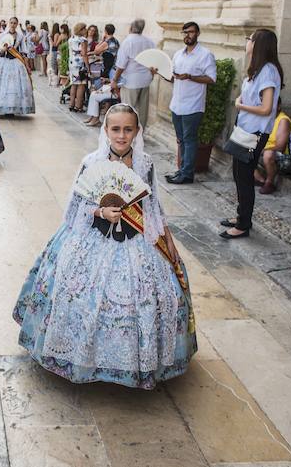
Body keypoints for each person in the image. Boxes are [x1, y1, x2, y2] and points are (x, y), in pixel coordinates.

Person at [13, 103, 196, 389]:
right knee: (76, 290)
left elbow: (153, 206)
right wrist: (101, 212)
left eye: (128, 129)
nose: (122, 136)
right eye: (116, 129)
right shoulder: (91, 162)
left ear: (137, 131)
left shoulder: (145, 163)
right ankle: (81, 356)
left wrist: (168, 240)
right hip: (92, 235)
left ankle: (136, 362)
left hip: (138, 238)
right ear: (106, 130)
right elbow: (77, 207)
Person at [220, 29, 283, 239]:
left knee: (245, 177)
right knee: (239, 175)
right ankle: (241, 216)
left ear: (258, 44)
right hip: (246, 130)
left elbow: (266, 108)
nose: (247, 42)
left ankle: (243, 224)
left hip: (255, 133)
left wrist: (241, 105)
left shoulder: (268, 70)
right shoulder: (258, 69)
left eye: (250, 39)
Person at [165, 22, 216, 184]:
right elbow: (173, 78)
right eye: (185, 32)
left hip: (193, 106)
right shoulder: (179, 54)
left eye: (191, 32)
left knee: (189, 139)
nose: (187, 35)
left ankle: (187, 174)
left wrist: (190, 76)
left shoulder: (205, 54)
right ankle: (182, 170)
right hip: (176, 105)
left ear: (198, 33)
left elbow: (211, 78)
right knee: (181, 140)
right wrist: (159, 72)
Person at [0, 17, 35, 116]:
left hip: (15, 62)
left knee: (14, 85)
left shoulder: (20, 36)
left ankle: (12, 107)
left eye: (15, 23)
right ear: (9, 23)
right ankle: (1, 106)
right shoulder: (3, 35)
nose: (13, 25)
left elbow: (24, 51)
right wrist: (4, 48)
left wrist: (27, 65)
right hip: (3, 61)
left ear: (17, 24)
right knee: (1, 84)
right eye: (11, 22)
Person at [113, 19, 156, 127]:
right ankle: (140, 134)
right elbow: (154, 60)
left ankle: (128, 132)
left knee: (128, 109)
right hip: (146, 79)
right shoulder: (149, 41)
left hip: (131, 81)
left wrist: (114, 80)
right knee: (143, 110)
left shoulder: (128, 42)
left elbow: (121, 65)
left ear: (131, 28)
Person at [257, 99, 291, 194]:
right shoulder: (266, 119)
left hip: (288, 161)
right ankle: (261, 180)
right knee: (242, 148)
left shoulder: (283, 120)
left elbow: (280, 147)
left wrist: (260, 151)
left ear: (279, 106)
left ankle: (270, 183)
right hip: (268, 154)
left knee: (268, 154)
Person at [67, 23, 90, 112]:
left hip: (72, 63)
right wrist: (88, 66)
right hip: (80, 64)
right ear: (81, 30)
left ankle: (71, 104)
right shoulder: (83, 40)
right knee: (81, 85)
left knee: (74, 83)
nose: (86, 30)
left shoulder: (71, 39)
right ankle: (78, 106)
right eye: (85, 29)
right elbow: (84, 54)